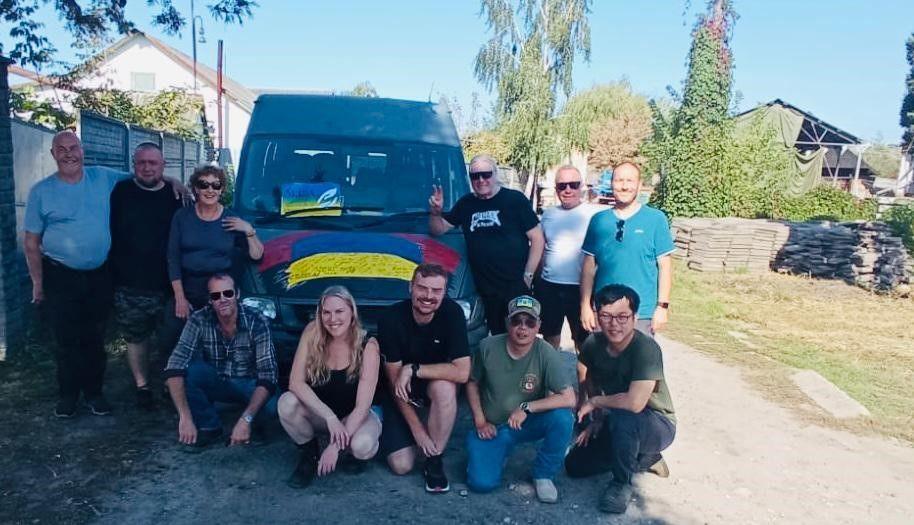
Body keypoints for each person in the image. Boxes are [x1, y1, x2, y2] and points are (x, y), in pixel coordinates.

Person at [23, 130, 184, 418]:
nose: (69, 153)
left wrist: (173, 180)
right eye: (62, 149)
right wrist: (37, 282)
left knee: (96, 337)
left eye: (73, 147)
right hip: (60, 274)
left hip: (99, 274)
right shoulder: (41, 192)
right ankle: (69, 396)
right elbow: (31, 242)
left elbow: (143, 174)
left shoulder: (102, 178)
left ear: (83, 151)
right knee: (66, 337)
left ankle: (95, 394)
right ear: (53, 154)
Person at [565, 284, 676, 514]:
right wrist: (595, 418)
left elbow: (635, 403)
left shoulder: (646, 349)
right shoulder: (593, 344)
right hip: (616, 416)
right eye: (606, 316)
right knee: (575, 466)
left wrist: (596, 403)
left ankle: (621, 483)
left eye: (623, 316)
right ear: (597, 316)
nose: (614, 324)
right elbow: (583, 369)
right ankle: (644, 458)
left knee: (626, 417)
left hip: (656, 423)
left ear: (635, 318)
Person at [465, 295, 575, 504]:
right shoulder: (487, 347)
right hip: (493, 427)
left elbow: (569, 398)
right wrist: (480, 420)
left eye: (530, 322)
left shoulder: (546, 352)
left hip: (527, 422)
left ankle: (543, 474)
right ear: (507, 322)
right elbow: (471, 382)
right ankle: (495, 451)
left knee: (563, 418)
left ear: (538, 326)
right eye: (516, 321)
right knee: (481, 484)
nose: (522, 328)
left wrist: (526, 407)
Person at [377, 264, 470, 493]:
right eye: (422, 288)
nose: (428, 296)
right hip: (399, 392)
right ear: (411, 287)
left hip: (430, 386)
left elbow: (462, 372)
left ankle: (434, 459)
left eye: (436, 291)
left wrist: (414, 369)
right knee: (401, 466)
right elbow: (393, 382)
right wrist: (418, 431)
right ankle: (411, 431)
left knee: (446, 387)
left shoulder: (453, 313)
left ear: (444, 292)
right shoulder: (391, 318)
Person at [278, 286, 383, 488]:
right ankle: (310, 453)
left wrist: (335, 447)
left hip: (355, 415)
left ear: (352, 312)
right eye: (326, 312)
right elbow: (295, 382)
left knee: (362, 446)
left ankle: (353, 451)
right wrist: (329, 417)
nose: (332, 319)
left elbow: (362, 407)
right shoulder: (312, 332)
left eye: (339, 311)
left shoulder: (368, 345)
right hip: (324, 414)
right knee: (286, 403)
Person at [428, 154, 544, 335]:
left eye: (486, 174)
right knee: (497, 337)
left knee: (520, 335)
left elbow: (537, 238)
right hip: (486, 290)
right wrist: (436, 212)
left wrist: (527, 277)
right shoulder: (466, 204)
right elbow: (438, 229)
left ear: (495, 174)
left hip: (516, 285)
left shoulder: (515, 200)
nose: (481, 180)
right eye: (475, 176)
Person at [163, 274, 279, 451]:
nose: (223, 299)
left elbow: (268, 374)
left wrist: (245, 419)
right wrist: (185, 418)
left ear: (237, 294)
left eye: (228, 293)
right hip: (218, 379)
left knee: (274, 407)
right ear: (210, 300)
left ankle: (251, 421)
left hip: (250, 382)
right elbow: (174, 364)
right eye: (216, 296)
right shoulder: (199, 319)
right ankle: (209, 426)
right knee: (189, 373)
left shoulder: (257, 321)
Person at [109, 142, 183, 410]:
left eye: (153, 163)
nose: (147, 167)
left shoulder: (178, 197)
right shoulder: (119, 192)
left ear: (163, 166)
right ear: (134, 166)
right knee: (135, 337)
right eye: (142, 163)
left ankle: (169, 384)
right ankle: (142, 386)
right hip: (130, 283)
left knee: (170, 338)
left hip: (170, 284)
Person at [163, 165, 263, 354]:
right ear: (195, 188)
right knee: (173, 339)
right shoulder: (182, 217)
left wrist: (249, 230)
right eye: (204, 184)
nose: (210, 190)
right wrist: (180, 297)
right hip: (188, 287)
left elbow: (257, 255)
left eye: (215, 185)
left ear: (222, 189)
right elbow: (173, 257)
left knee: (219, 342)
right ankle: (176, 378)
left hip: (220, 292)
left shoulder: (232, 219)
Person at [580, 162, 674, 338]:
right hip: (604, 312)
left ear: (639, 185)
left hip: (641, 314)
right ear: (611, 184)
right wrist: (586, 305)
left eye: (629, 181)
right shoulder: (599, 221)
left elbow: (665, 267)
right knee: (601, 364)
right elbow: (588, 267)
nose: (624, 186)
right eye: (619, 180)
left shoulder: (655, 220)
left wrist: (662, 307)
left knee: (637, 364)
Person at [535, 165, 600, 365]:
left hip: (581, 289)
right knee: (549, 339)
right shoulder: (548, 215)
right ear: (556, 189)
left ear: (582, 187)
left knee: (584, 342)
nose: (568, 190)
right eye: (562, 186)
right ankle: (552, 386)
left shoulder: (593, 215)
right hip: (549, 286)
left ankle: (585, 394)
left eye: (573, 185)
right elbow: (541, 249)